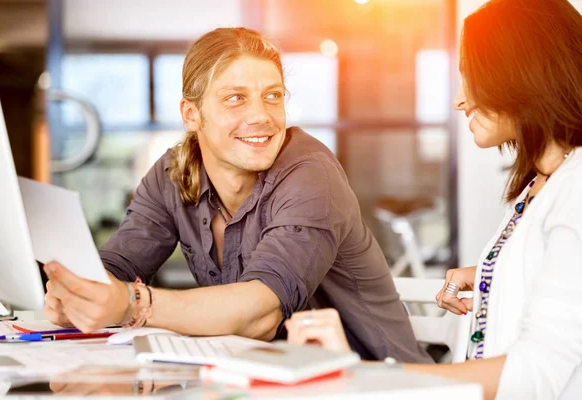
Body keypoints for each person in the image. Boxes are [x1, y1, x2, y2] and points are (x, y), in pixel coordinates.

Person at [42, 27, 431, 363]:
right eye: (235, 98)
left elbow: (260, 317)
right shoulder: (172, 173)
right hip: (266, 379)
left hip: (376, 384)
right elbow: (118, 265)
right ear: (191, 115)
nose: (261, 115)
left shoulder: (312, 176)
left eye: (273, 96)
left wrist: (131, 303)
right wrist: (78, 295)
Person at [285, 0, 582, 398]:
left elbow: (534, 375)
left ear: (521, 75)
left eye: (472, 77)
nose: (459, 100)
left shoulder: (574, 190)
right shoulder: (543, 184)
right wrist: (495, 272)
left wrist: (363, 377)